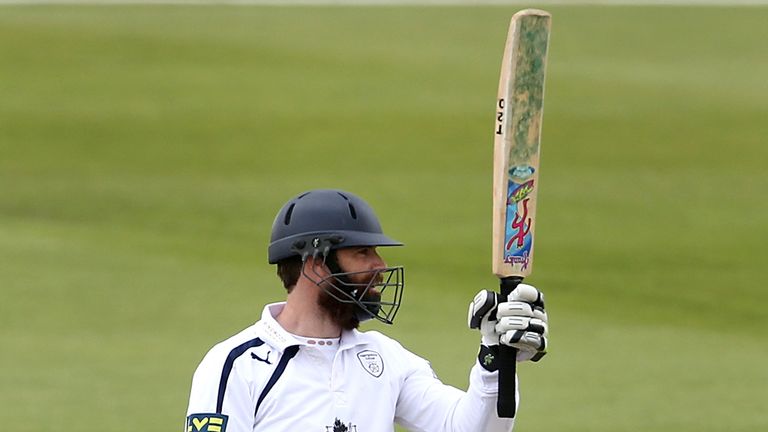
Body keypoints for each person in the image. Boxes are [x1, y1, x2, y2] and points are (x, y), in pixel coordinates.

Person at [184, 189, 549, 432]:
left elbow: (468, 428)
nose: (380, 265)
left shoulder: (387, 359)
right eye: (362, 253)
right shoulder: (235, 366)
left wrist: (495, 361)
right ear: (315, 262)